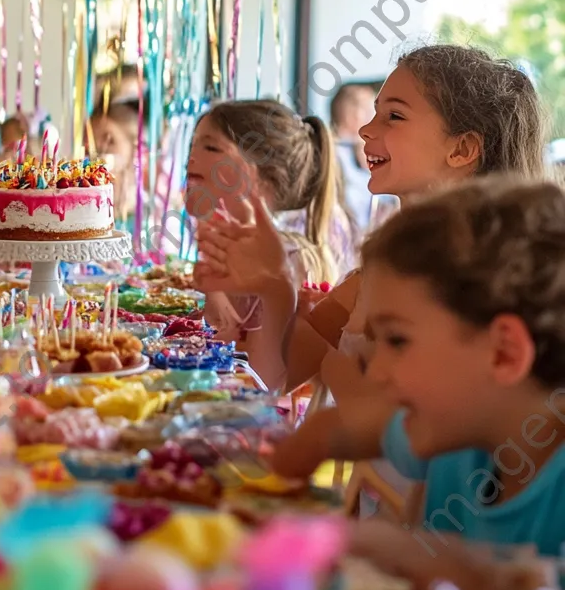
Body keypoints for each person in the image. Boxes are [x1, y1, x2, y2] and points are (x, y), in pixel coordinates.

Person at [196, 44, 547, 393]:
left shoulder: (491, 285)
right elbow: (269, 382)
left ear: (461, 149)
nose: (365, 130)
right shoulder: (368, 279)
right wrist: (273, 289)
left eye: (394, 116)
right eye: (375, 112)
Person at [273, 177, 565, 567]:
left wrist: (413, 558)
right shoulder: (459, 428)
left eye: (397, 341)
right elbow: (329, 431)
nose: (376, 373)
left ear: (503, 354)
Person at [183, 99, 347, 390]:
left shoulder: (293, 261)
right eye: (193, 145)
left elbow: (263, 385)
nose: (191, 158)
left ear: (261, 176)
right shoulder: (227, 250)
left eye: (210, 148)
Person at [329, 82, 377, 231]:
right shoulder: (335, 154)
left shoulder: (358, 153)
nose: (374, 118)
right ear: (351, 115)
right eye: (369, 111)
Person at [87, 102, 140, 231]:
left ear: (134, 148)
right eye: (90, 142)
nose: (99, 151)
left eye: (110, 140)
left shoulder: (149, 215)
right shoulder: (83, 211)